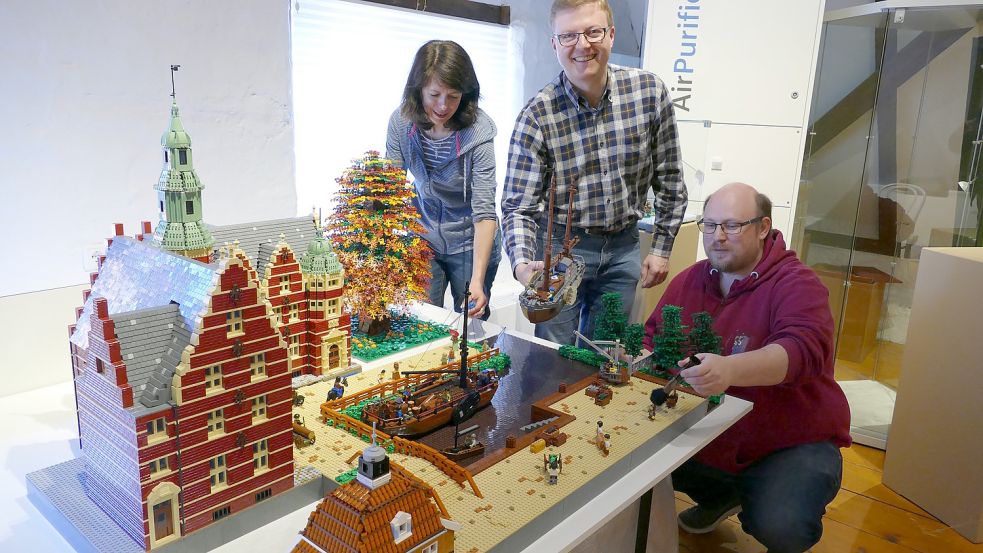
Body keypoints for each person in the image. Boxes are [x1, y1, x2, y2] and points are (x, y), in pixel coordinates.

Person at [642, 182, 851, 552]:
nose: (718, 237)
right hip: (711, 431)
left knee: (784, 524)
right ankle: (721, 496)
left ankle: (755, 499)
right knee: (627, 463)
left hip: (787, 444)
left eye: (732, 226)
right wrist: (636, 357)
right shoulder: (690, 280)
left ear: (763, 227)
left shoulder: (797, 283)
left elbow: (802, 350)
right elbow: (653, 339)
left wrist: (730, 370)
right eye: (709, 225)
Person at [501, 0, 687, 344]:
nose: (582, 45)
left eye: (593, 32)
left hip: (623, 248)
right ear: (554, 43)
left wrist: (661, 248)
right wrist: (523, 264)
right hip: (559, 249)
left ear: (611, 35)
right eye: (569, 36)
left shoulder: (649, 93)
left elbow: (671, 178)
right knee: (554, 357)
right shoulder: (536, 116)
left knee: (605, 352)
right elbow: (519, 206)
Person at [387, 40, 501, 319]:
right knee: (422, 321)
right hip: (423, 240)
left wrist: (477, 281)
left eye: (453, 96)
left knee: (470, 328)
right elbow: (389, 193)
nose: (443, 105)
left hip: (470, 244)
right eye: (435, 94)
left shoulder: (480, 131)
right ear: (418, 90)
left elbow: (485, 212)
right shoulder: (401, 124)